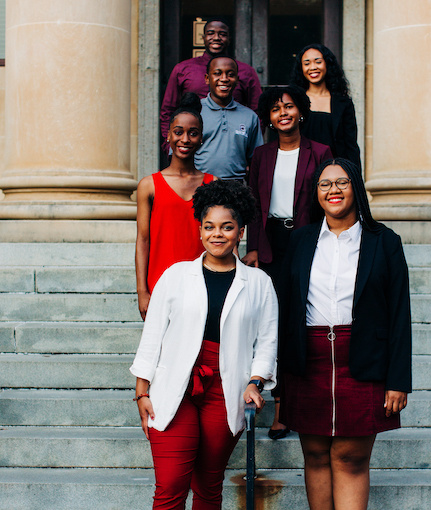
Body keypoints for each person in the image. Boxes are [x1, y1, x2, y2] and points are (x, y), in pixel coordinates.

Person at [130, 180, 278, 509]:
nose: (217, 234)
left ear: (240, 231)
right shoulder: (175, 275)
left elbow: (266, 345)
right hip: (173, 387)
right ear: (199, 231)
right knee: (170, 484)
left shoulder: (259, 284)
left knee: (209, 484)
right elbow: (152, 336)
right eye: (209, 226)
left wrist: (256, 382)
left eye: (227, 227)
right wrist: (142, 390)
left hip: (226, 390)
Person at [278, 158, 412, 509]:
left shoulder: (384, 241)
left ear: (356, 187)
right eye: (324, 184)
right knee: (316, 454)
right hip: (308, 361)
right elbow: (286, 307)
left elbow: (399, 313)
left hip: (364, 359)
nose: (333, 190)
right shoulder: (301, 240)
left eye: (341, 182)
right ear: (316, 193)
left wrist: (398, 380)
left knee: (351, 458)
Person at [242, 85, 332, 439]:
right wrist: (253, 248)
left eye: (290, 107)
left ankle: (293, 405)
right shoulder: (261, 156)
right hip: (270, 244)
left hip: (307, 241)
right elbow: (252, 205)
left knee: (298, 321)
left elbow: (329, 199)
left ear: (301, 112)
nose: (283, 113)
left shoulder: (321, 152)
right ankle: (279, 403)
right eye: (276, 108)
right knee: (273, 323)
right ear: (268, 117)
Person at [135, 93, 215, 320]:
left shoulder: (212, 183)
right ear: (168, 136)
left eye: (193, 133)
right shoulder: (149, 185)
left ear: (201, 139)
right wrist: (142, 290)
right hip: (160, 282)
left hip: (203, 280)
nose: (185, 139)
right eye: (178, 132)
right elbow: (143, 239)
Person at [160, 18, 262, 154]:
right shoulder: (183, 69)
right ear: (203, 37)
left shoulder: (246, 72)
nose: (216, 38)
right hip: (189, 149)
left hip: (232, 152)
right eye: (211, 33)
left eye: (222, 34)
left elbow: (258, 112)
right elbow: (168, 111)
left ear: (229, 39)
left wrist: (249, 152)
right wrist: (171, 148)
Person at [290, 43, 362, 170]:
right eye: (307, 63)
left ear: (327, 64)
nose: (312, 67)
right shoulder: (294, 102)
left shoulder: (343, 103)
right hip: (301, 170)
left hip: (335, 172)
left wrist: (355, 179)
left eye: (318, 62)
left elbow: (351, 145)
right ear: (301, 68)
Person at [194, 55, 263, 181]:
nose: (224, 79)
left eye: (230, 74)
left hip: (236, 188)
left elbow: (256, 161)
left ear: (237, 80)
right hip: (199, 186)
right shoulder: (194, 112)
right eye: (217, 73)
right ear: (207, 78)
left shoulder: (249, 117)